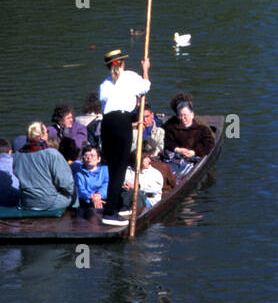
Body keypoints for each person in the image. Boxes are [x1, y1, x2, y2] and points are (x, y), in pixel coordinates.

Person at [99, 49, 151, 226]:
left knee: (113, 168)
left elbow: (105, 102)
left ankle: (118, 205)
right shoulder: (129, 76)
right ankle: (110, 212)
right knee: (120, 169)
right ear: (122, 63)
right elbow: (146, 86)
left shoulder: (104, 83)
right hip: (122, 122)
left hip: (106, 124)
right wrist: (145, 68)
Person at [12, 125, 76, 211]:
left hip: (27, 202)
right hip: (51, 203)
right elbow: (66, 183)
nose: (48, 134)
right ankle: (76, 214)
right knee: (74, 191)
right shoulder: (52, 153)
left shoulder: (18, 154)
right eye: (47, 132)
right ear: (41, 135)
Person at [163, 95, 215, 160]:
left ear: (192, 114)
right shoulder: (170, 126)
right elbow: (165, 140)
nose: (182, 118)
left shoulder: (201, 127)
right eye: (180, 115)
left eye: (185, 115)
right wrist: (177, 149)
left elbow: (209, 143)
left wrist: (194, 152)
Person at [74, 144, 109, 213]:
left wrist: (99, 195)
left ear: (99, 159)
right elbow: (80, 190)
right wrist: (92, 197)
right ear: (83, 159)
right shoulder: (79, 175)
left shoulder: (105, 170)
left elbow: (106, 184)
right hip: (86, 204)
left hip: (104, 201)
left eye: (93, 155)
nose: (89, 158)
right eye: (86, 156)